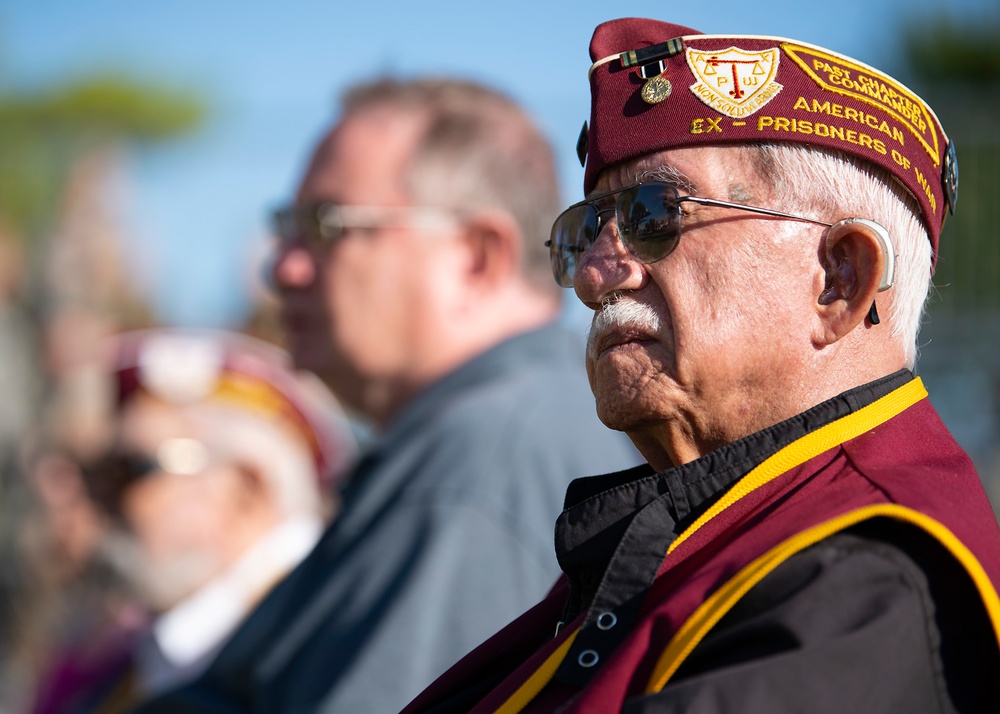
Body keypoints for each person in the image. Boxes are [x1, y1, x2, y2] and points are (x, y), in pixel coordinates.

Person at [402, 18, 1000, 714]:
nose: (595, 277)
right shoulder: (713, 533)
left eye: (656, 214)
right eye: (587, 229)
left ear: (841, 278)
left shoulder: (866, 578)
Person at [135, 78, 639, 714]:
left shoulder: (482, 463)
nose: (281, 267)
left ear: (475, 258)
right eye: (285, 226)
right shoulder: (469, 437)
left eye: (325, 226)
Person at [30, 328, 355, 714]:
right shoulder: (126, 665)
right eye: (99, 476)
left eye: (128, 472)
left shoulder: (331, 639)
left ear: (244, 491)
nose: (99, 501)